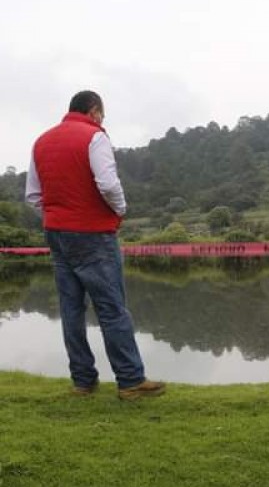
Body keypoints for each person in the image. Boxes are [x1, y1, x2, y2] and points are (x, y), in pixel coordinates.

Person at [25, 90, 165, 400]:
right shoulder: (95, 136)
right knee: (112, 308)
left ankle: (82, 381)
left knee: (71, 309)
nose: (103, 119)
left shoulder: (41, 141)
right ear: (93, 110)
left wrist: (57, 215)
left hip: (57, 234)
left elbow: (33, 196)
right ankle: (130, 380)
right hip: (93, 235)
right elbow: (107, 183)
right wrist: (120, 210)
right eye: (102, 113)